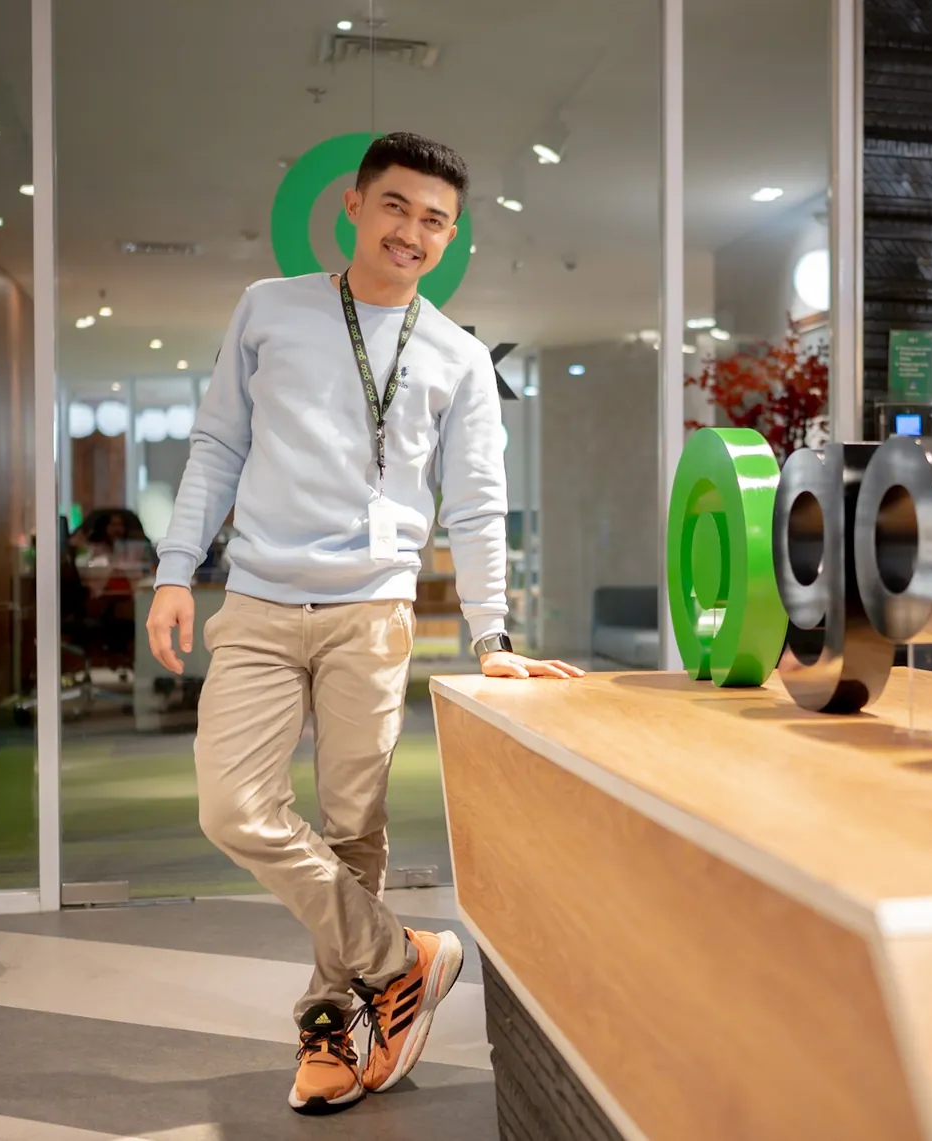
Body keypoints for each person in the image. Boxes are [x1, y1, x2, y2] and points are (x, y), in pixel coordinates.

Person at [145, 132, 583, 1116]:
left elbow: (475, 504)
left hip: (374, 617)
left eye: (433, 218)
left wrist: (491, 636)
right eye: (395, 207)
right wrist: (176, 571)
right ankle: (402, 958)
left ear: (452, 233)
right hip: (256, 602)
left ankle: (338, 1031)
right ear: (354, 204)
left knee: (355, 832)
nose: (411, 231)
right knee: (234, 808)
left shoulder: (460, 357)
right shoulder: (270, 308)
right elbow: (217, 442)